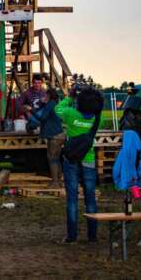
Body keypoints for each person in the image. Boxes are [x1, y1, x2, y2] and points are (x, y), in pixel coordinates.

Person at [55, 87, 104, 244]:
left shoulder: (70, 114)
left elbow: (58, 109)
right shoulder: (98, 118)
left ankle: (72, 237)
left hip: (71, 160)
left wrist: (69, 97)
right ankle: (92, 236)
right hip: (88, 158)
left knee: (72, 198)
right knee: (90, 198)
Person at [27, 88, 65, 187]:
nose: (43, 96)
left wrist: (31, 110)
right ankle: (59, 181)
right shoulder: (53, 104)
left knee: (52, 158)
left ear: (49, 95)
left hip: (54, 136)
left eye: (45, 95)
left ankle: (55, 182)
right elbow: (47, 114)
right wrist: (43, 104)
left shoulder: (50, 104)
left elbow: (42, 118)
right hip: (59, 135)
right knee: (56, 158)